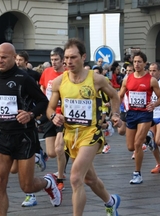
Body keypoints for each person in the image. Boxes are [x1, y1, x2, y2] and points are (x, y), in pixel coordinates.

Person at [0, 43, 61, 215]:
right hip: (2, 135)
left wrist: (30, 114)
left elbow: (43, 101)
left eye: (4, 57)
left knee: (26, 185)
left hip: (24, 136)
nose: (0, 60)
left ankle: (49, 182)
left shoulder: (24, 78)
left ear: (14, 58)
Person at [47, 38, 120, 216]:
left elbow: (114, 96)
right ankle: (111, 201)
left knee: (75, 178)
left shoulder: (96, 79)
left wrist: (116, 114)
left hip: (91, 133)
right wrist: (54, 116)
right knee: (90, 179)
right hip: (70, 135)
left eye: (73, 57)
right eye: (66, 58)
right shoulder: (59, 82)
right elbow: (49, 108)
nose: (68, 62)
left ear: (83, 57)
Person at [118, 52, 160, 184]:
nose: (137, 64)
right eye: (135, 62)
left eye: (139, 62)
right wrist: (114, 106)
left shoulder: (151, 80)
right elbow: (120, 95)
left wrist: (154, 104)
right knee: (130, 147)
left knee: (138, 144)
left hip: (145, 114)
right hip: (131, 113)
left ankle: (137, 174)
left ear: (144, 63)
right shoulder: (128, 79)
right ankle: (148, 138)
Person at [39, 47, 68, 192]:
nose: (54, 62)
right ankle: (64, 157)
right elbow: (43, 88)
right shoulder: (47, 72)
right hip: (50, 114)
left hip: (63, 116)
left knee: (59, 148)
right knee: (51, 152)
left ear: (63, 60)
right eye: (52, 60)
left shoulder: (68, 74)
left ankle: (61, 178)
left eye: (57, 59)